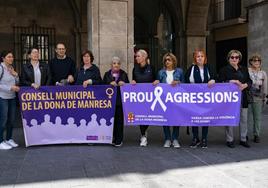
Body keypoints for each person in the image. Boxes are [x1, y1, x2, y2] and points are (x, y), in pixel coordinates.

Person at [218, 50, 252, 148]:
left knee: (244, 119)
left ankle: (243, 139)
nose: (234, 59)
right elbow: (220, 83)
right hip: (229, 99)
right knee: (229, 118)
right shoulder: (224, 70)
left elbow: (249, 81)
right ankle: (229, 139)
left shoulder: (244, 69)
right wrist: (230, 81)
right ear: (228, 59)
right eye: (232, 57)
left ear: (239, 59)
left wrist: (245, 85)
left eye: (236, 57)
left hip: (242, 97)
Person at [185, 49, 215, 149]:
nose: (200, 58)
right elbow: (185, 82)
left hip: (206, 98)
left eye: (202, 56)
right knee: (194, 118)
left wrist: (213, 80)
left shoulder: (209, 68)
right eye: (198, 56)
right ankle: (195, 138)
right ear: (195, 58)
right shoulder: (191, 69)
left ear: (205, 58)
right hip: (194, 98)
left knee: (205, 118)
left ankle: (204, 138)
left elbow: (216, 78)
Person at [153, 52, 184, 148]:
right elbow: (157, 84)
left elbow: (185, 84)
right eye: (165, 60)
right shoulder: (161, 72)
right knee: (165, 119)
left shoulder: (179, 71)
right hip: (164, 100)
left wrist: (178, 82)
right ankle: (167, 138)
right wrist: (157, 81)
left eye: (169, 60)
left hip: (176, 99)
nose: (167, 62)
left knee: (176, 119)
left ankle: (175, 139)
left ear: (173, 61)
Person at [103, 56, 129, 147]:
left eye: (118, 63)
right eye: (114, 63)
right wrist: (109, 84)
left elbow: (128, 86)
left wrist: (124, 84)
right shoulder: (107, 74)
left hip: (120, 101)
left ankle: (119, 139)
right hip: (109, 102)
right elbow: (102, 87)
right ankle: (112, 138)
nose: (116, 65)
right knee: (111, 121)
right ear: (111, 65)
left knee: (119, 121)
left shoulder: (124, 74)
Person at [132, 49, 155, 146]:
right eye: (136, 56)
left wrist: (156, 81)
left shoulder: (152, 68)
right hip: (139, 97)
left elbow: (156, 78)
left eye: (138, 56)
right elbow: (134, 80)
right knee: (141, 115)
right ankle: (143, 135)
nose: (136, 58)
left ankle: (144, 131)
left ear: (144, 57)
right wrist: (133, 82)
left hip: (150, 97)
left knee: (148, 116)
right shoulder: (135, 68)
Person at [0, 51, 20, 150]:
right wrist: (10, 88)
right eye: (9, 57)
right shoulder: (0, 68)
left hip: (12, 97)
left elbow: (17, 82)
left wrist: (16, 75)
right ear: (3, 58)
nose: (11, 58)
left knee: (11, 120)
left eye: (12, 57)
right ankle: (0, 141)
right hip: (2, 97)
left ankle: (9, 139)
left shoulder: (11, 68)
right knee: (3, 120)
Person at [247, 54, 267, 143]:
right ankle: (245, 134)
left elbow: (265, 86)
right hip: (247, 95)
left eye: (258, 61)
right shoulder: (247, 71)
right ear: (251, 62)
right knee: (246, 117)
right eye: (254, 60)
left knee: (257, 117)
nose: (257, 62)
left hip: (258, 97)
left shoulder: (263, 73)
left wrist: (265, 97)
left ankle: (256, 134)